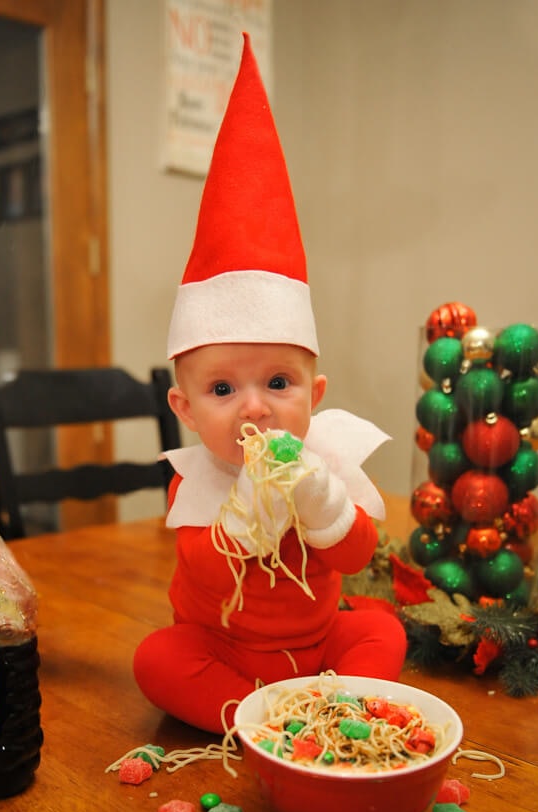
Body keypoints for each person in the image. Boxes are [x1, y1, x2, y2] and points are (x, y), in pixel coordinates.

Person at [133, 35, 406, 733]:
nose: (254, 406)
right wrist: (253, 503)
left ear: (315, 397)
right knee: (158, 660)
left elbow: (357, 554)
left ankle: (324, 701)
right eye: (222, 390)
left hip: (317, 651)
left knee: (380, 630)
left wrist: (318, 500)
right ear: (185, 410)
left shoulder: (329, 467)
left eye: (279, 381)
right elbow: (206, 574)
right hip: (223, 651)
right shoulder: (195, 484)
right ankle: (257, 722)